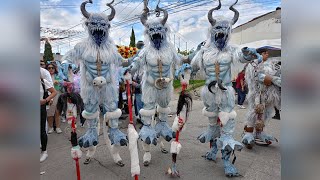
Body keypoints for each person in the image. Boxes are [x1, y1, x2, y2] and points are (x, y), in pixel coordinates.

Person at [242, 47, 281, 149]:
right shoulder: (253, 64)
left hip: (267, 95)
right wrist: (273, 79)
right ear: (259, 54)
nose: (267, 54)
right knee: (253, 113)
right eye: (265, 53)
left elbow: (271, 78)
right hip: (256, 95)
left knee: (264, 114)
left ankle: (259, 133)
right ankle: (249, 133)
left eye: (267, 53)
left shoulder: (270, 64)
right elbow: (258, 77)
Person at [40, 74, 57, 162]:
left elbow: (54, 92)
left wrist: (46, 100)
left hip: (40, 107)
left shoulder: (43, 81)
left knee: (41, 130)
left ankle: (44, 151)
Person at [46, 63, 64, 134]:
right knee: (49, 112)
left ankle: (58, 127)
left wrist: (58, 82)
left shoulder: (58, 75)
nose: (51, 69)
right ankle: (50, 127)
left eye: (52, 68)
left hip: (57, 95)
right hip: (48, 95)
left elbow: (63, 82)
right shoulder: (45, 76)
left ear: (55, 69)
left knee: (57, 111)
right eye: (49, 68)